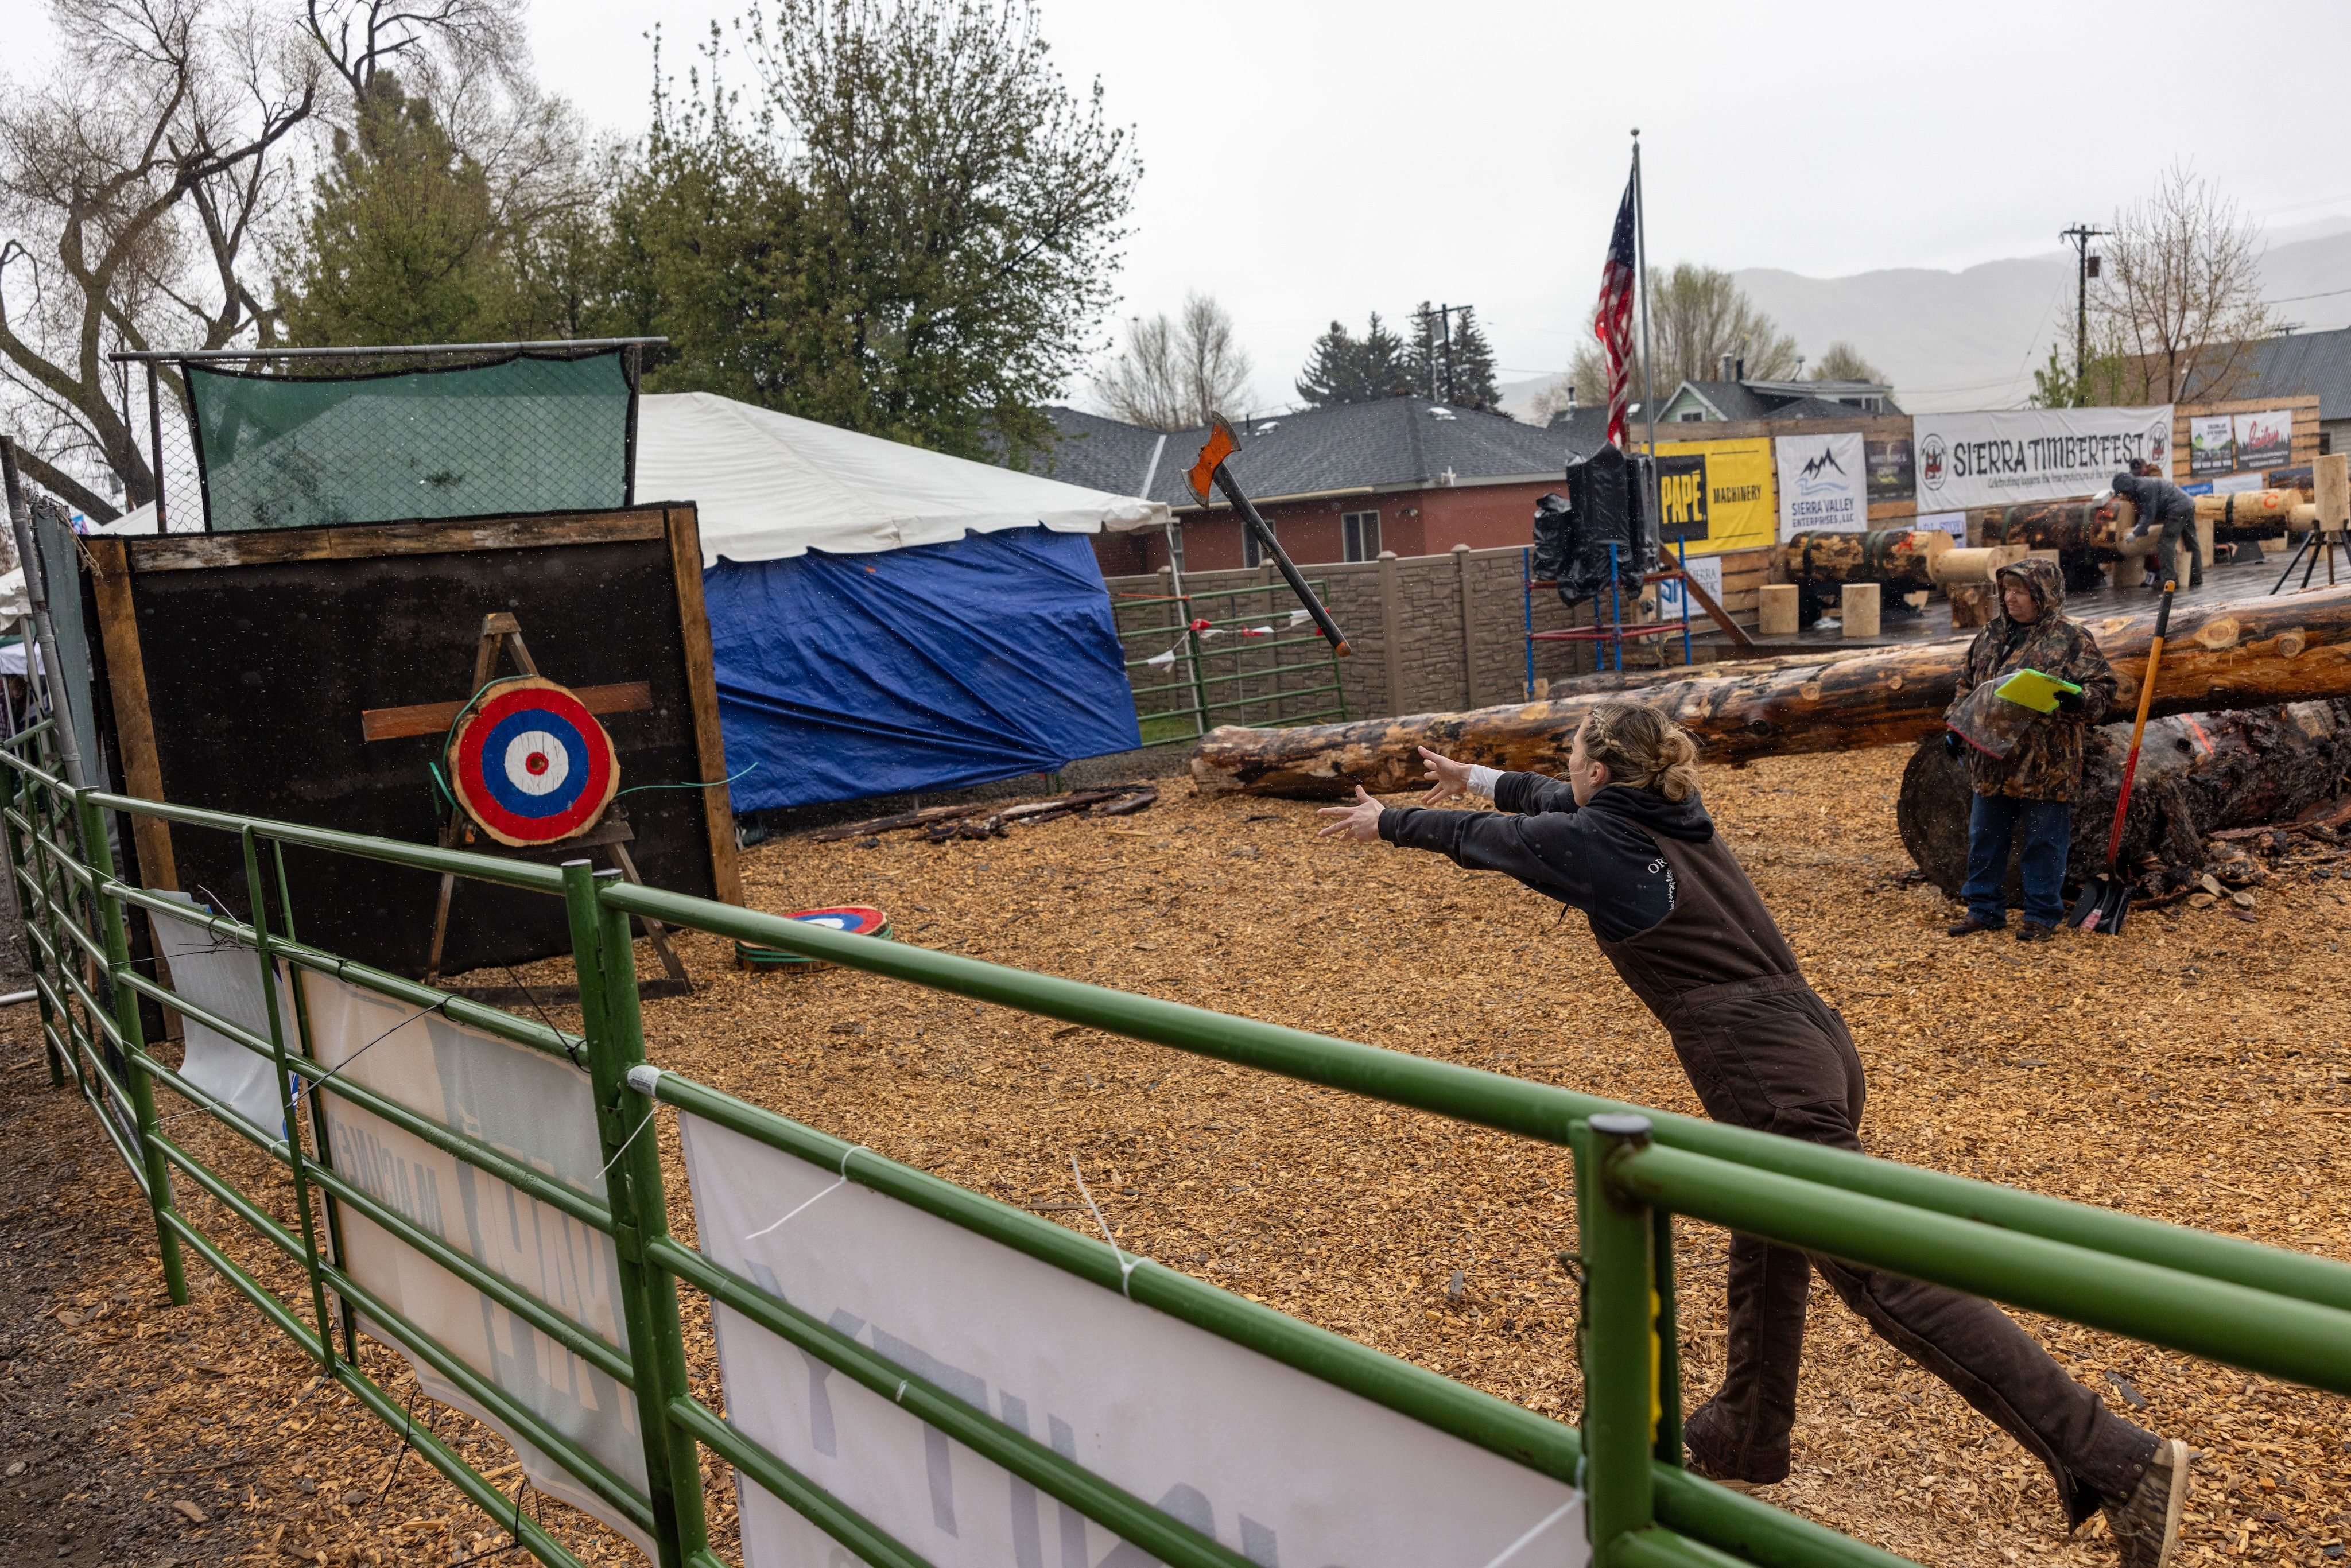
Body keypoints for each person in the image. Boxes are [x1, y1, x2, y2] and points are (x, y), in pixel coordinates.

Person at [1313, 700, 2187, 1566]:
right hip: (1812, 1040)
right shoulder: (1665, 810)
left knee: (1887, 1275)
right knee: (1767, 1238)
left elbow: (1490, 843)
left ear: (1601, 771)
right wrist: (1475, 777)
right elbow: (1546, 807)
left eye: (1572, 755)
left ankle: (2116, 1458)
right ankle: (1746, 1433)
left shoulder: (1600, 841)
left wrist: (1391, 821)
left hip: (1763, 1065)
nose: (1566, 770)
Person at [1945, 557, 2117, 942]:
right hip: (1992, 759)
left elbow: (2105, 693)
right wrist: (1956, 724)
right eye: (2007, 591)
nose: (2011, 599)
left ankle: (2041, 916)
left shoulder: (2073, 639)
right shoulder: (1990, 636)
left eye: (2021, 592)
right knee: (1985, 837)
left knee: (2044, 841)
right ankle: (1984, 909)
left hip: (2047, 762)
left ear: (2044, 594)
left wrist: (2078, 701)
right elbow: (1966, 683)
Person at [2109, 465, 2201, 591]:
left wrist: (2136, 533)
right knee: (2191, 541)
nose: (2124, 495)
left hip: (2177, 508)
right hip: (2187, 504)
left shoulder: (2143, 488)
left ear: (2126, 487)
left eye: (2123, 492)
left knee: (2165, 542)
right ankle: (2196, 577)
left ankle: (2170, 580)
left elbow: (2149, 515)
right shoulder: (2140, 486)